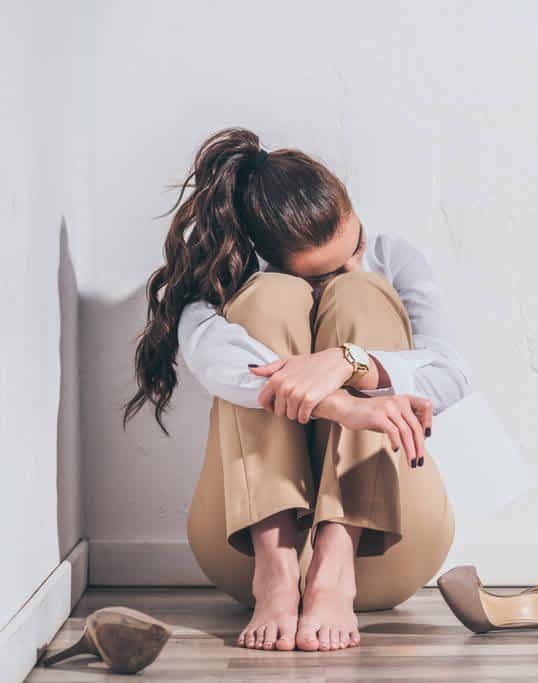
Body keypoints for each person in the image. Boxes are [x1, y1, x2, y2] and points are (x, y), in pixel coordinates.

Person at [124, 127, 470, 652]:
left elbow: (449, 374)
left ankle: (334, 564)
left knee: (363, 294)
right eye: (325, 272)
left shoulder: (392, 259)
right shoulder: (234, 273)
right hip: (243, 555)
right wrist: (343, 408)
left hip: (385, 548)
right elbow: (217, 362)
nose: (355, 260)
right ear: (269, 253)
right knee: (268, 300)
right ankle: (279, 567)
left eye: (354, 242)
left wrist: (346, 361)